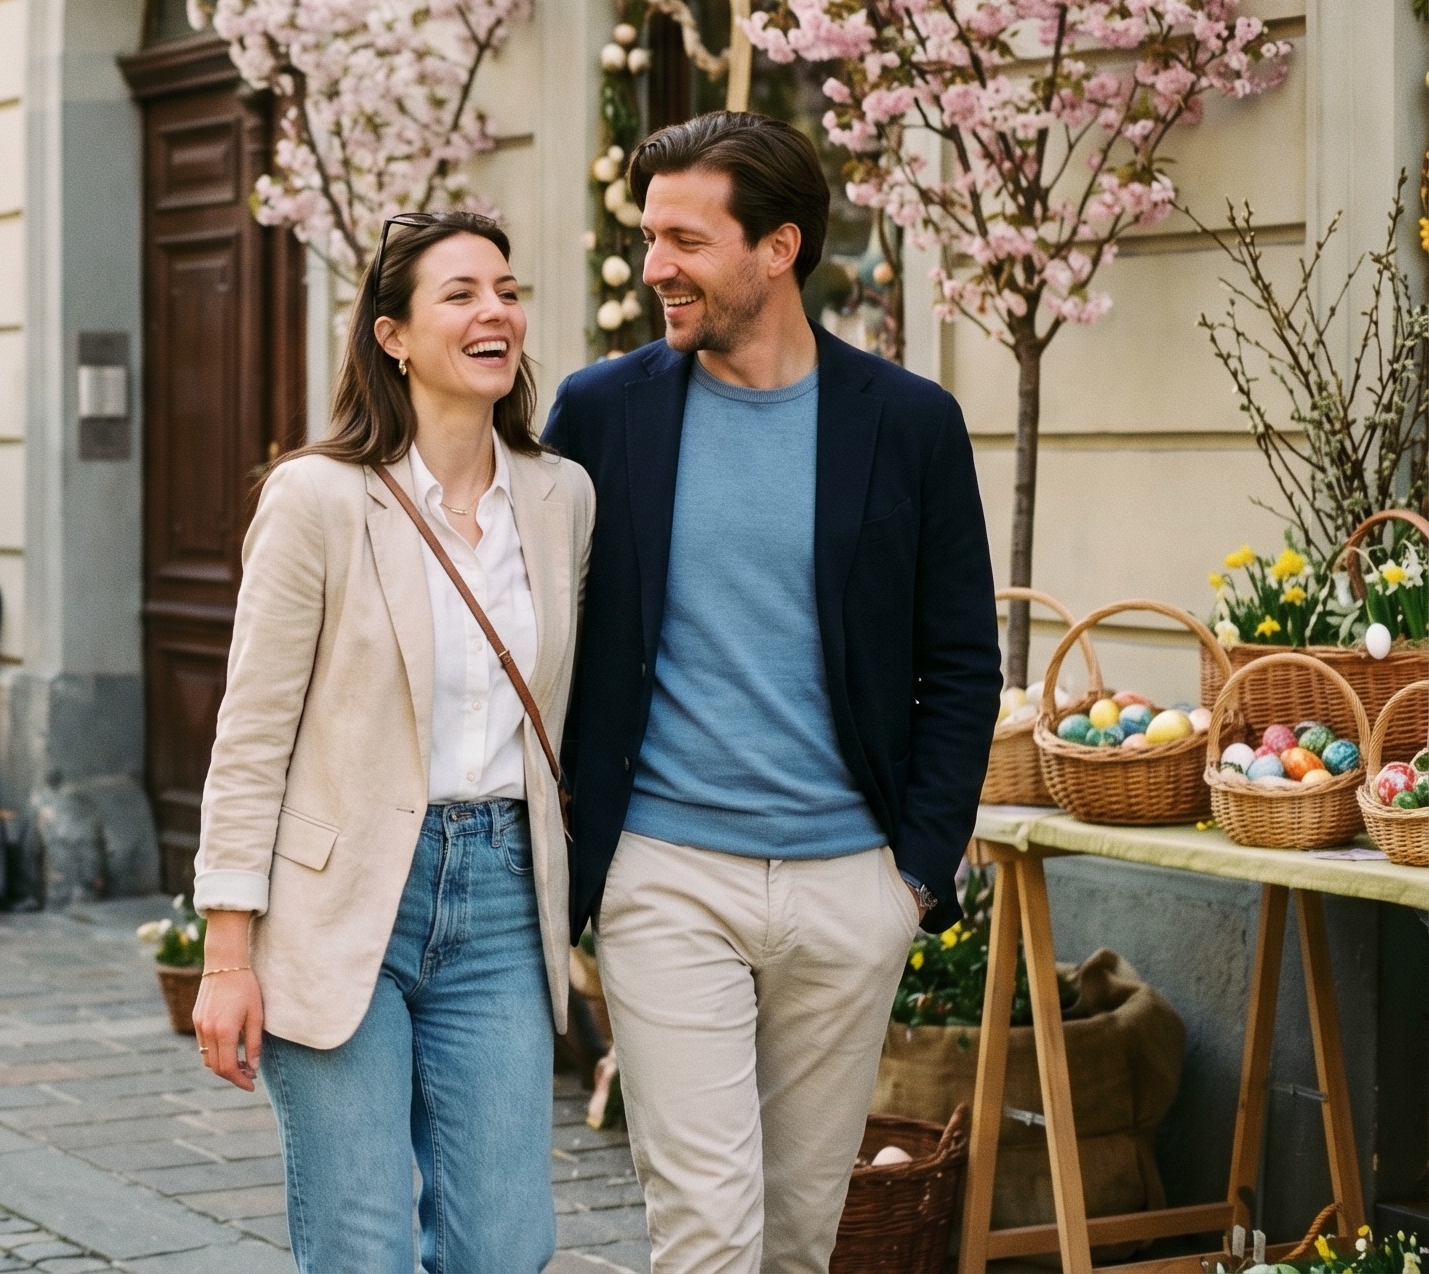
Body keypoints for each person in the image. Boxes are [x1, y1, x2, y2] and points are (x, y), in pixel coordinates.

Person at [541, 111, 999, 1274]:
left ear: (778, 247)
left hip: (851, 888)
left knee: (800, 1237)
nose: (654, 268)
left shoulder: (908, 423)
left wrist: (914, 875)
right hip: (665, 876)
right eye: (648, 238)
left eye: (684, 242)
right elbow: (535, 614)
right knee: (705, 1228)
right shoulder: (600, 414)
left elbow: (959, 661)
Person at [189, 211, 594, 1274]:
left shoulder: (559, 498)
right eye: (459, 293)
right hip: (340, 895)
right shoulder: (318, 498)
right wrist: (226, 953)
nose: (494, 311)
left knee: (503, 1244)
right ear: (393, 337)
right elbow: (251, 735)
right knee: (361, 1241)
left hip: (503, 895)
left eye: (505, 290)